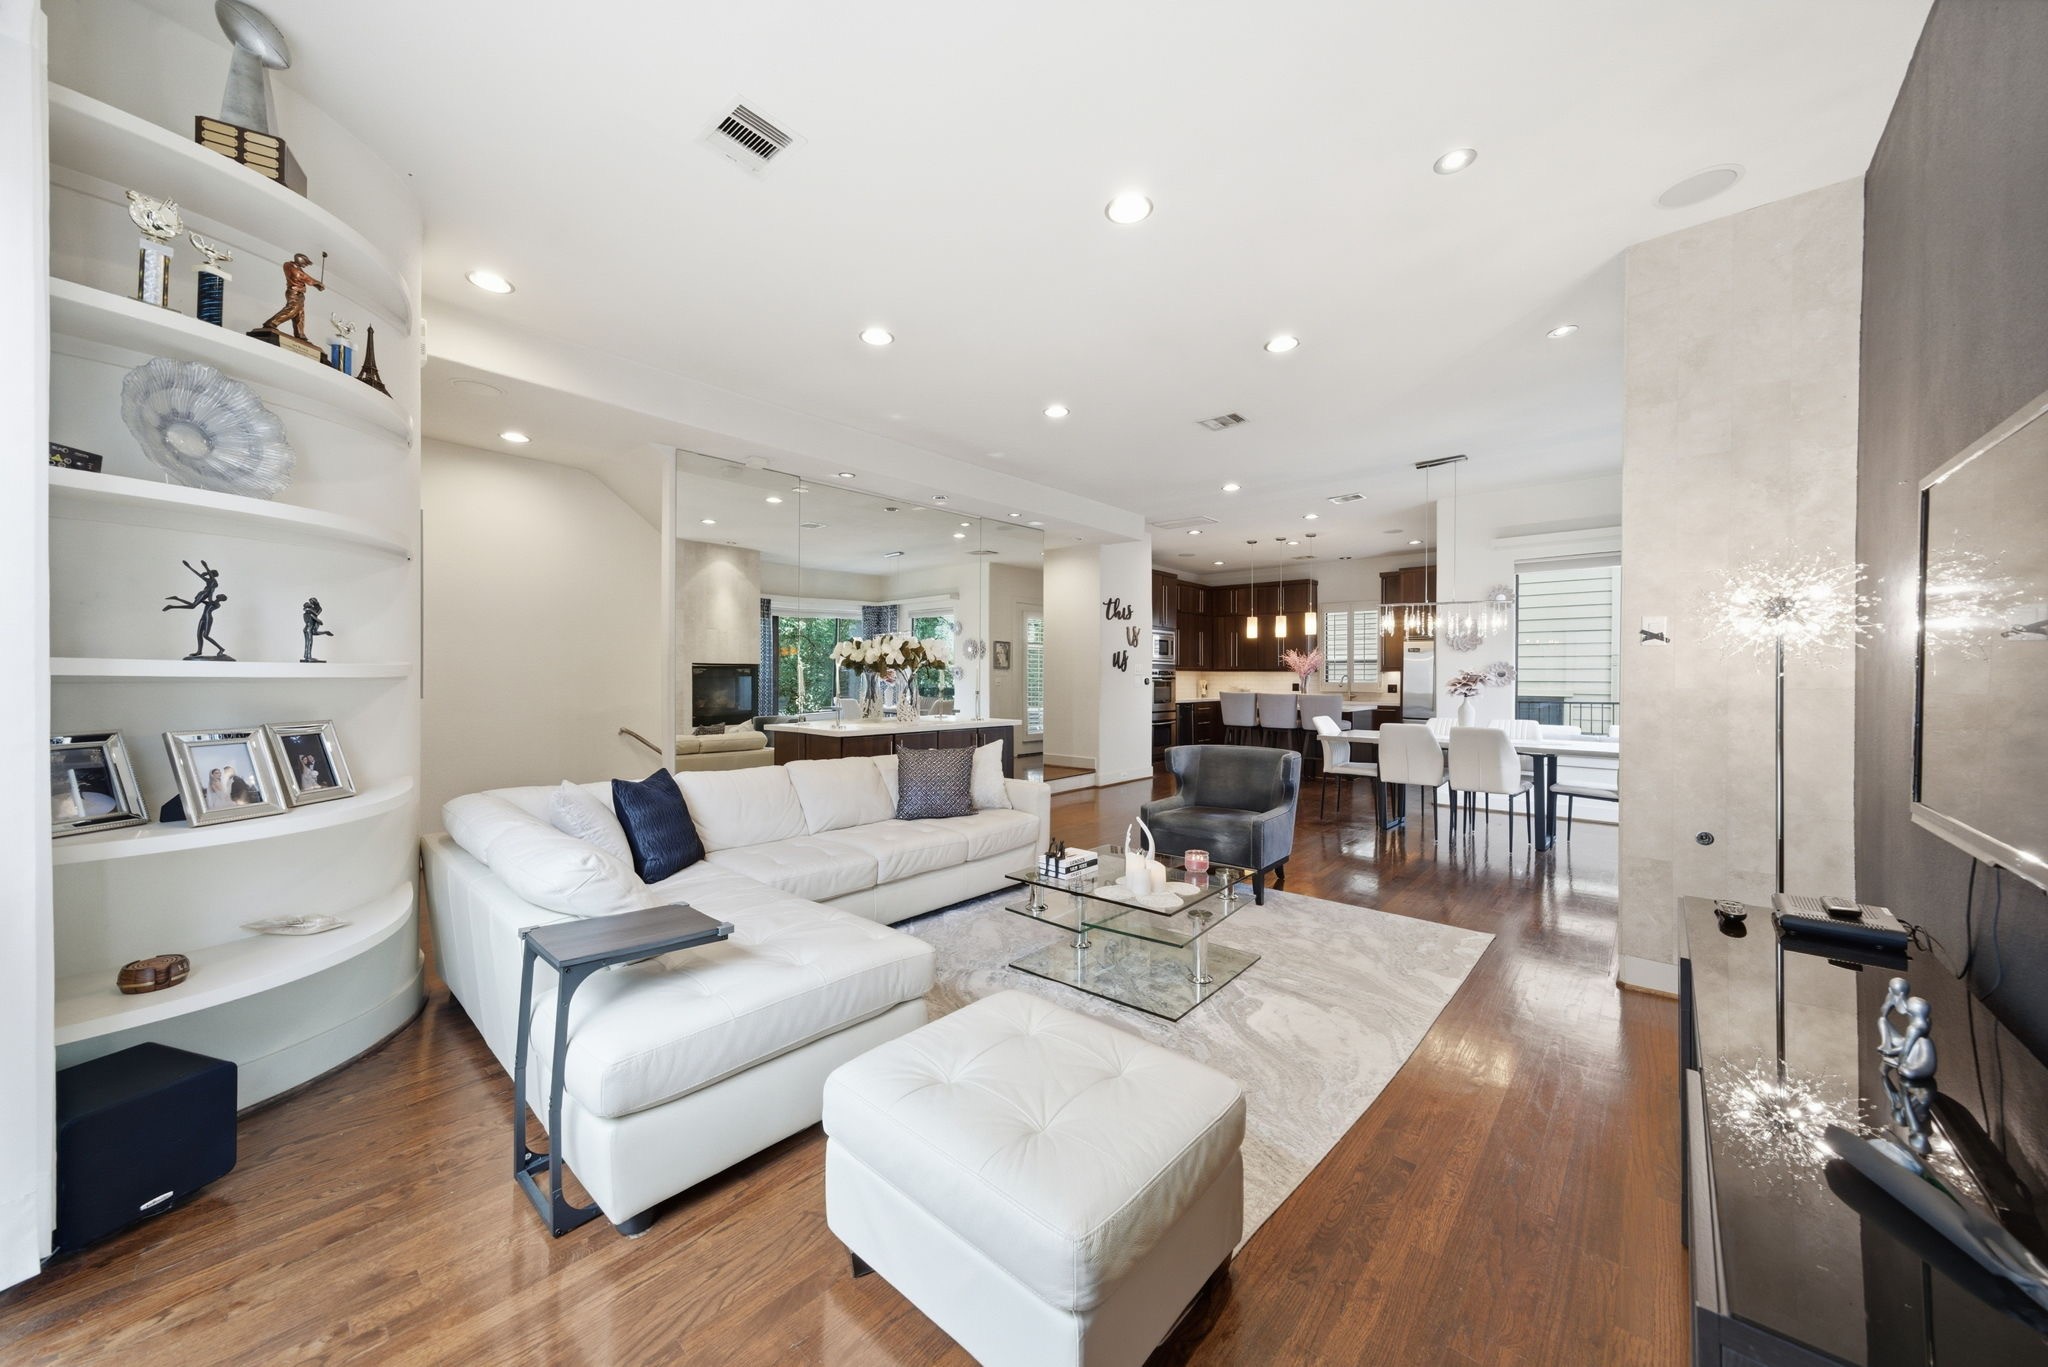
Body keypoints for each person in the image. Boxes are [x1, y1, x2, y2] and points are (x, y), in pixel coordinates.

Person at [256, 252, 325, 343]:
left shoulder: (298, 268)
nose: (305, 265)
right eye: (304, 263)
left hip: (299, 294)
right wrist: (317, 283)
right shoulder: (289, 266)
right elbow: (302, 276)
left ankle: (300, 335)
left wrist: (317, 285)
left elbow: (304, 276)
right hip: (293, 293)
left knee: (300, 314)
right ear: (299, 260)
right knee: (292, 310)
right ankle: (271, 323)